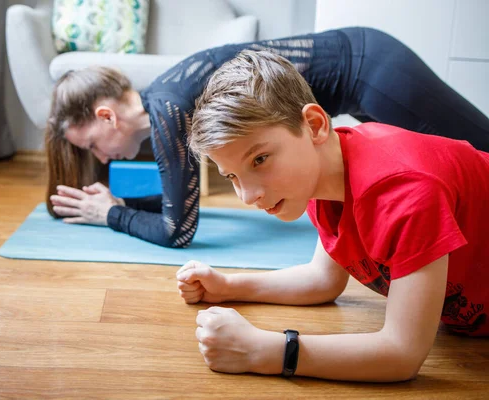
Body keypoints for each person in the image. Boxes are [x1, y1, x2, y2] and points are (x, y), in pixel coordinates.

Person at [177, 49, 489, 383]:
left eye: (260, 159)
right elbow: (322, 280)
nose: (248, 196)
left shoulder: (405, 191)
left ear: (314, 125)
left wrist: (265, 350)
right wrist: (227, 286)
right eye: (232, 177)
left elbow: (403, 354)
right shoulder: (318, 179)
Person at [46, 27, 489, 248]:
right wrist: (122, 206)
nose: (99, 155)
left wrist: (110, 215)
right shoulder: (166, 100)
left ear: (106, 116)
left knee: (481, 150)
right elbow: (180, 199)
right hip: (363, 70)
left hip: (373, 66)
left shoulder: (167, 108)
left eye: (89, 145)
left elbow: (177, 229)